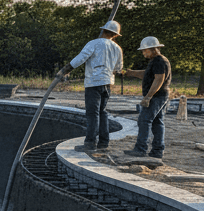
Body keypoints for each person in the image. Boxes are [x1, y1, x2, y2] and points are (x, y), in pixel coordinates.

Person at [58, 20, 125, 151]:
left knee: (93, 114)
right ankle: (103, 143)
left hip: (94, 83)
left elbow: (80, 59)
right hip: (107, 83)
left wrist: (65, 70)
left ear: (103, 30)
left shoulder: (94, 43)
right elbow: (118, 68)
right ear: (115, 35)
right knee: (102, 112)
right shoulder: (117, 48)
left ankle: (90, 143)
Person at [122, 36, 171, 158]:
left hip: (156, 96)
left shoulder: (159, 61)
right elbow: (147, 74)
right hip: (161, 96)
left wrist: (148, 97)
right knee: (157, 122)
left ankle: (141, 149)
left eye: (145, 50)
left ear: (153, 49)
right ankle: (157, 151)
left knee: (144, 120)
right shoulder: (157, 61)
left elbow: (159, 79)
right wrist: (131, 72)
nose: (143, 53)